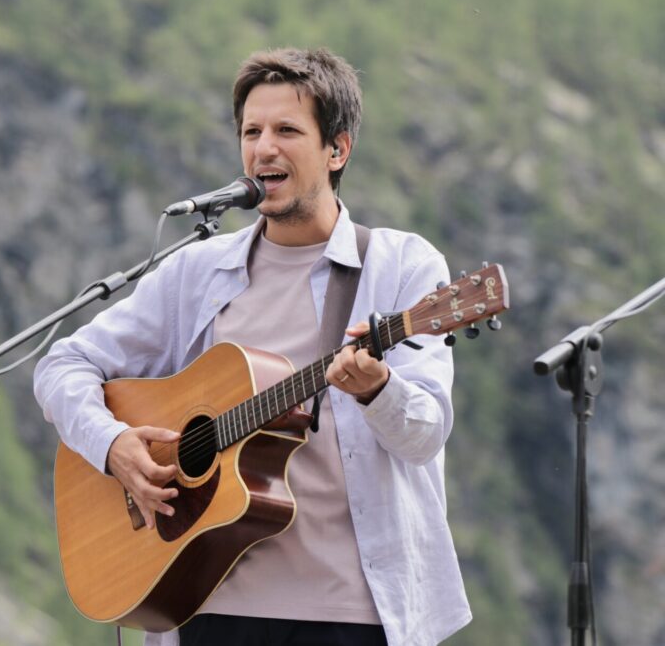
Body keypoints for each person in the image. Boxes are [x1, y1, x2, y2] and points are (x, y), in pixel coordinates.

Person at [34, 47, 471, 646]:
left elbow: (424, 434)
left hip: (352, 614)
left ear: (337, 150)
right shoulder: (197, 272)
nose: (264, 147)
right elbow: (63, 364)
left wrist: (378, 389)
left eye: (287, 130)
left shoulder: (401, 267)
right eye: (251, 131)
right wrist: (113, 447)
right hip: (204, 603)